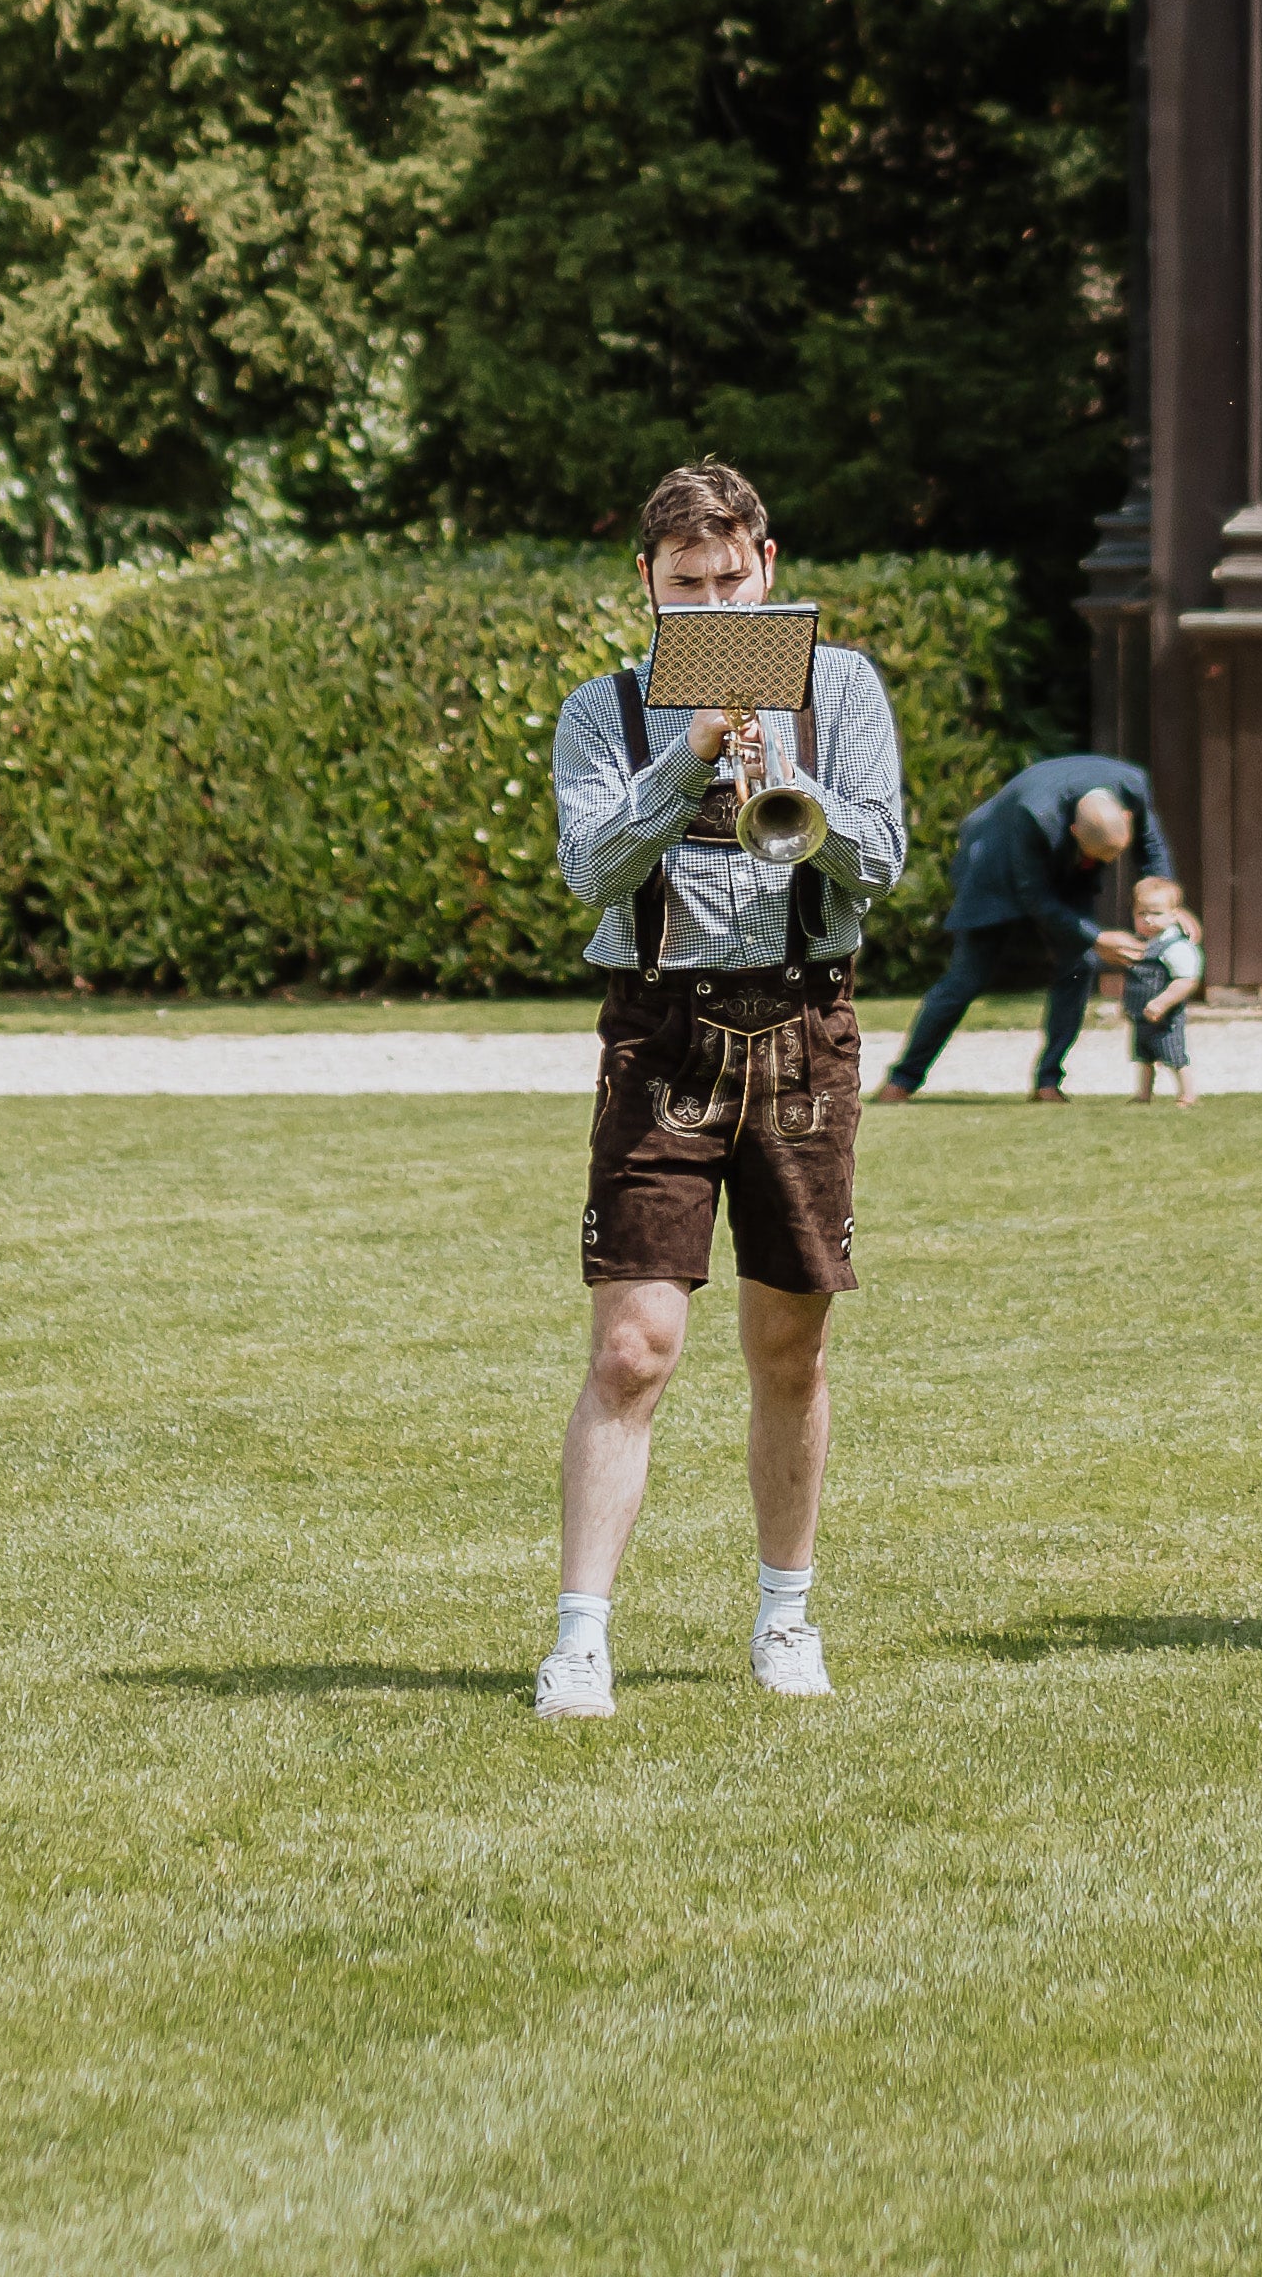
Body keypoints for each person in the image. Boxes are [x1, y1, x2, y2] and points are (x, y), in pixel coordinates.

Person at [537, 459, 909, 1720]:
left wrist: (793, 797)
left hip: (805, 1021)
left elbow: (891, 855)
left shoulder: (842, 683)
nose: (710, 602)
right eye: (685, 583)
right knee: (635, 1349)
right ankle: (581, 1635)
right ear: (648, 581)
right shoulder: (603, 709)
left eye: (731, 578)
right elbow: (589, 870)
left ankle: (785, 1615)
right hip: (661, 1031)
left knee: (790, 1348)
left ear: (769, 568)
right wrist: (687, 756)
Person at [880, 748, 1162, 1100]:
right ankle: (902, 1081)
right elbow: (1035, 899)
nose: (1103, 866)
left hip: (1064, 866)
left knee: (1079, 966)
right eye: (1096, 858)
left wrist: (1171, 905)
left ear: (1126, 815)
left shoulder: (1132, 785)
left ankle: (1048, 1083)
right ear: (1074, 830)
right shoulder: (1035, 813)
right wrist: (1096, 936)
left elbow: (1151, 847)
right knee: (966, 979)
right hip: (992, 866)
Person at [1105, 871, 1205, 1101]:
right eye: (1142, 913)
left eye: (1156, 913)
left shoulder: (1175, 947)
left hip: (1165, 1016)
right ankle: (1143, 1094)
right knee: (1144, 1056)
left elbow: (1187, 979)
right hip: (1142, 1014)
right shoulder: (1142, 944)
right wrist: (1128, 1004)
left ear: (1174, 916)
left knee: (1174, 1054)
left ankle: (1187, 1094)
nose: (1148, 919)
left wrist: (1162, 1001)